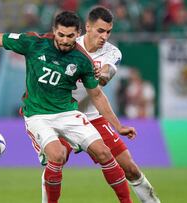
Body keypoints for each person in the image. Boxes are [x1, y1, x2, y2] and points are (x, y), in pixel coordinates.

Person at [0, 10, 136, 203]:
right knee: (57, 156)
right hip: (38, 115)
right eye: (60, 35)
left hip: (67, 113)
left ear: (78, 34)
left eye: (70, 36)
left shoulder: (82, 60)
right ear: (53, 30)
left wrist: (118, 126)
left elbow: (97, 96)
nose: (65, 40)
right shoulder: (34, 43)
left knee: (104, 152)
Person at [46, 6, 160, 203]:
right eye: (100, 30)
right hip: (62, 115)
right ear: (88, 27)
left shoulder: (112, 52)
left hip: (92, 116)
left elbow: (107, 73)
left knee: (130, 167)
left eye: (108, 31)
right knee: (56, 161)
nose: (105, 36)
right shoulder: (69, 43)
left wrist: (101, 74)